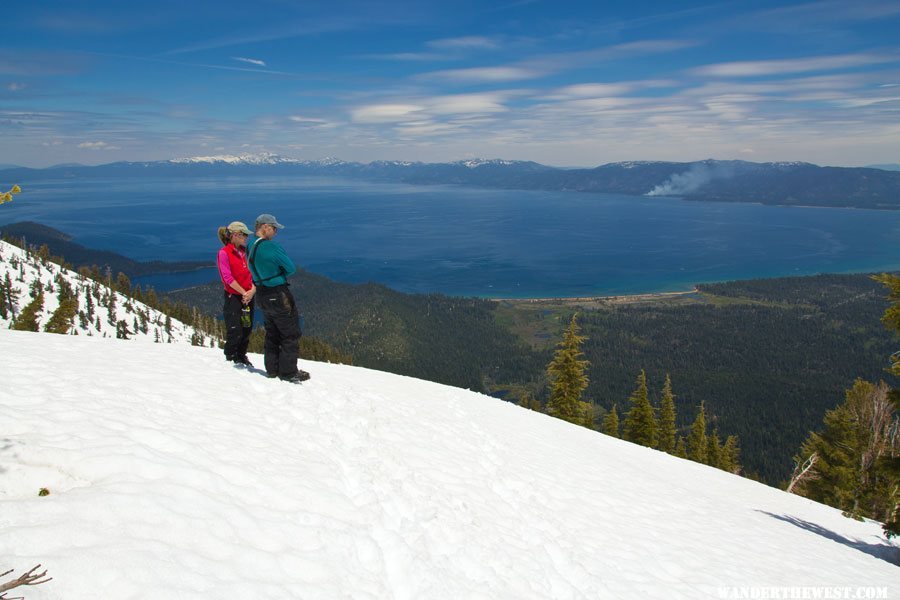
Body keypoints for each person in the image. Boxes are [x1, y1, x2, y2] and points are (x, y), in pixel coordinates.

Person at [247, 213, 310, 383]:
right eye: (274, 228)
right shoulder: (271, 247)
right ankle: (289, 372)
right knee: (290, 333)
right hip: (277, 293)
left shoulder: (250, 245)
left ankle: (272, 369)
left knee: (272, 331)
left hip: (261, 293)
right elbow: (290, 268)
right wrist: (277, 273)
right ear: (265, 227)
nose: (276, 232)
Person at [216, 221, 256, 366]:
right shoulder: (224, 253)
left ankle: (241, 355)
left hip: (248, 296)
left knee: (247, 328)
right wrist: (244, 292)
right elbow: (227, 278)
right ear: (234, 235)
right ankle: (231, 357)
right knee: (235, 329)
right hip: (234, 297)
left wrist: (252, 290)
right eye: (243, 235)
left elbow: (253, 273)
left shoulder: (245, 252)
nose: (246, 237)